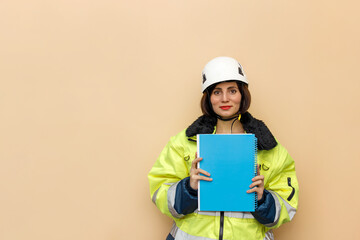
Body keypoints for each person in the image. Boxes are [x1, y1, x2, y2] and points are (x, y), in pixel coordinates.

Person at [148, 57, 299, 240]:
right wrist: (189, 188)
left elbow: (287, 205)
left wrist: (262, 199)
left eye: (232, 90)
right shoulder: (184, 143)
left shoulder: (268, 148)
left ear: (242, 94)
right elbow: (159, 191)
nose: (225, 99)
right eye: (217, 92)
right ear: (208, 97)